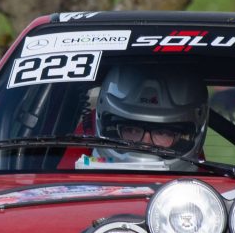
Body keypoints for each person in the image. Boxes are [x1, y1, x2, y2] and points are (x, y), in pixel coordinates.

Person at [78, 64, 209, 171]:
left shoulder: (209, 198)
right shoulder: (67, 174)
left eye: (162, 133)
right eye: (132, 130)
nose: (145, 144)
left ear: (184, 139)